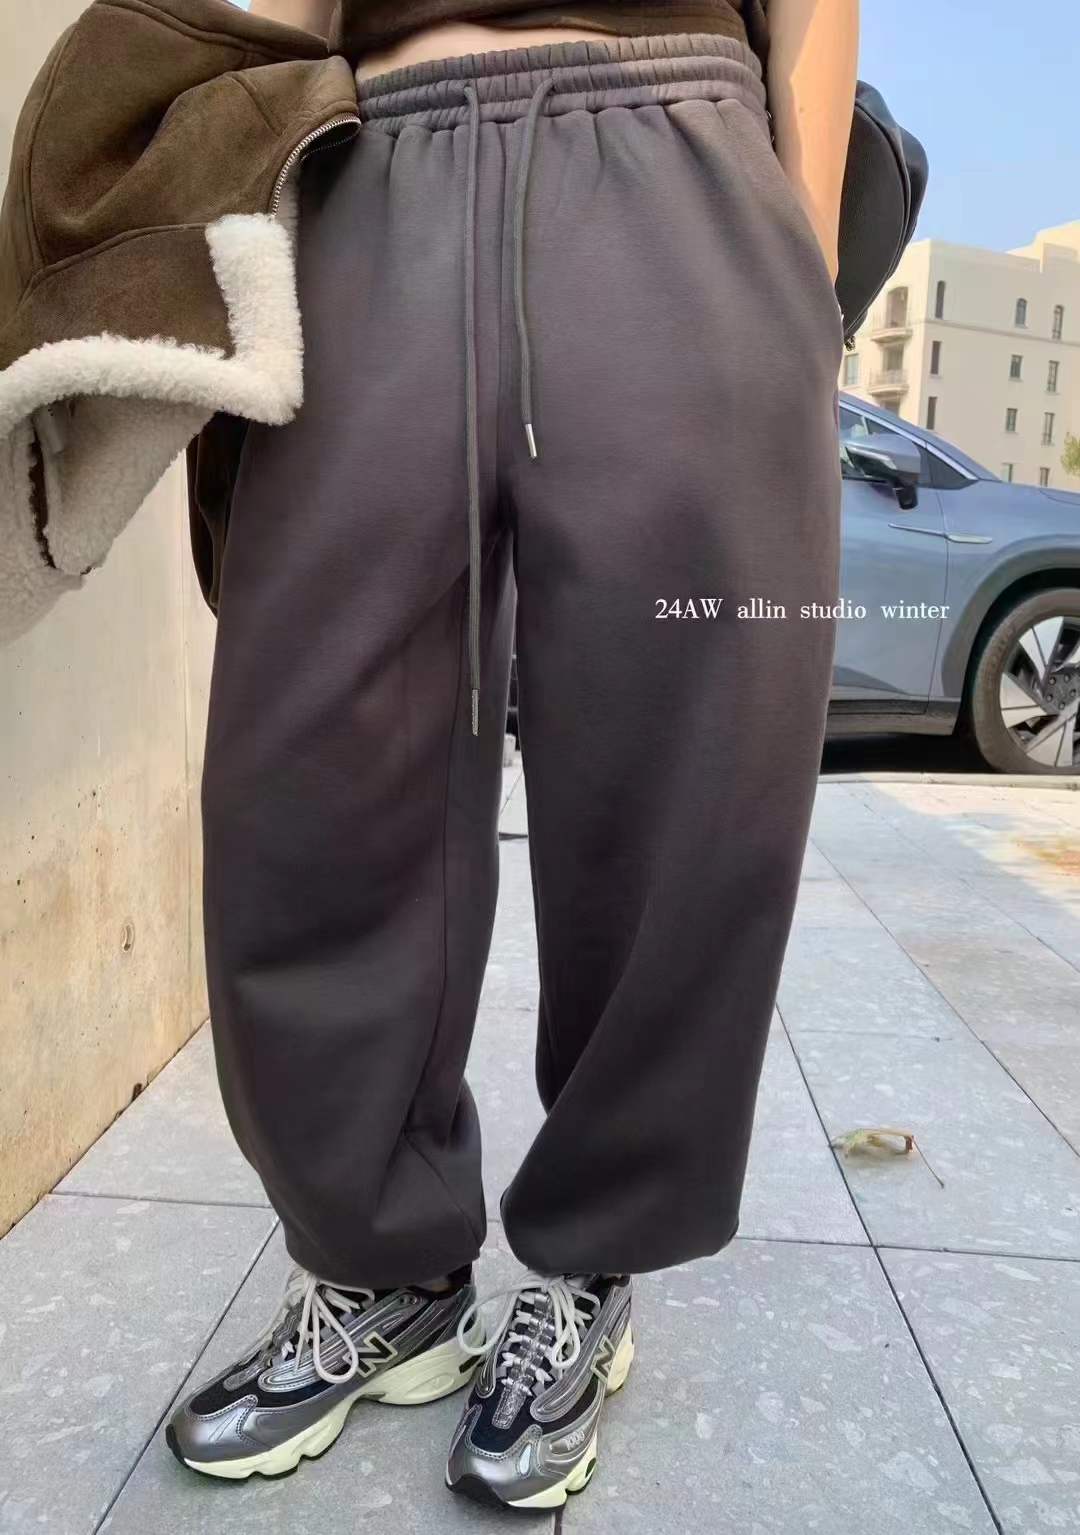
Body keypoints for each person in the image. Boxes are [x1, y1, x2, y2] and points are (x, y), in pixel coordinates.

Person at [164, 0, 858, 1509]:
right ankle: (385, 1270)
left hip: (676, 147)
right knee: (307, 760)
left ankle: (593, 1258)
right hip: (368, 170)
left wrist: (799, 280)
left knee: (690, 760)